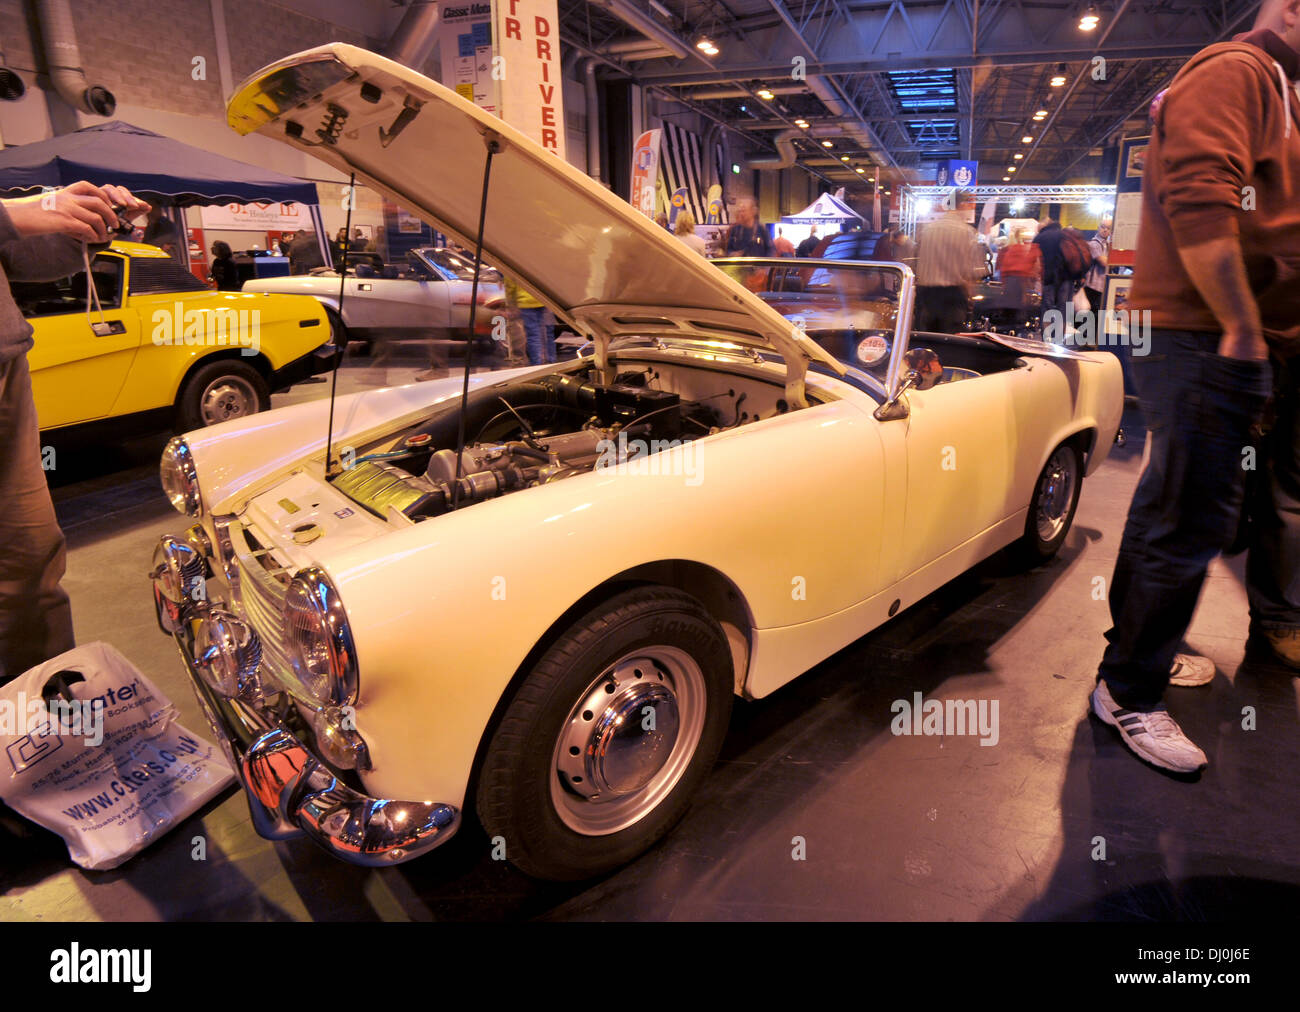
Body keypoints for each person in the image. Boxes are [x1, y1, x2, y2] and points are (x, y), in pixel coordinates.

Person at [1089, 0, 1300, 774]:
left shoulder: (1269, 82)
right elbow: (1202, 196)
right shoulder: (1236, 69)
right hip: (1204, 333)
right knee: (1190, 522)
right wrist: (1243, 329)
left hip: (1205, 332)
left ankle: (1134, 661)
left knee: (1166, 508)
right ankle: (1130, 693)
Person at [0, 181, 150, 683]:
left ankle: (46, 727)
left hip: (4, 368)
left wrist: (85, 226)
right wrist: (24, 210)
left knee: (30, 563)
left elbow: (23, 261)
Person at [915, 197, 982, 333]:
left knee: (926, 338)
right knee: (950, 341)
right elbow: (972, 272)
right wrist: (970, 294)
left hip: (926, 293)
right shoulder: (967, 232)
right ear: (961, 205)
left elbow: (915, 261)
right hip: (952, 295)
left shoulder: (927, 230)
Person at [1032, 219, 1072, 342]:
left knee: (1047, 308)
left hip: (1048, 278)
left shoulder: (1040, 237)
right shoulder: (1066, 235)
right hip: (1066, 277)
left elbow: (1034, 260)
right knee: (1063, 308)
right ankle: (1059, 340)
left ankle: (1047, 339)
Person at [505, 278, 555, 365]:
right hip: (542, 299)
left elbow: (510, 284)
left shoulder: (514, 265)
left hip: (525, 302)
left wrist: (511, 304)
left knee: (533, 335)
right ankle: (550, 360)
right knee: (546, 331)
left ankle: (536, 363)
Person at [1083, 221, 1111, 316]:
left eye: (1108, 228)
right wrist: (1116, 260)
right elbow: (1104, 262)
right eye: (1103, 227)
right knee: (1089, 314)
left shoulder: (1107, 244)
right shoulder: (1094, 244)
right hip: (1092, 285)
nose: (1105, 230)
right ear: (1098, 227)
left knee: (1096, 314)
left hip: (1102, 285)